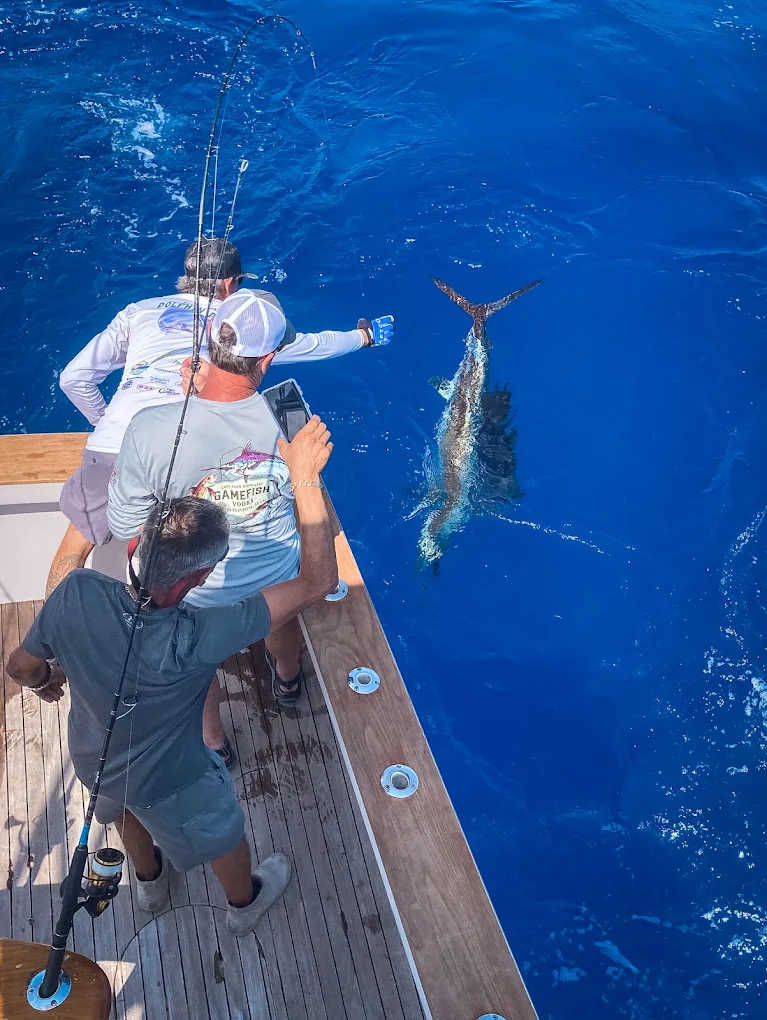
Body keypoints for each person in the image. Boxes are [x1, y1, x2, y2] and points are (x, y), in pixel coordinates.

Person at [6, 414, 337, 934]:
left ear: (136, 545)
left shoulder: (76, 593)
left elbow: (19, 666)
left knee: (121, 812)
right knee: (224, 833)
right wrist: (304, 477)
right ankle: (243, 905)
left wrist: (45, 679)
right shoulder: (203, 634)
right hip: (173, 778)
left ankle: (150, 883)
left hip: (92, 756)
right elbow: (318, 580)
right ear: (200, 578)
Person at [108, 288, 385, 756]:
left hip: (192, 592)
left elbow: (126, 523)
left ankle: (216, 746)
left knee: (198, 669)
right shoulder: (289, 407)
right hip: (275, 579)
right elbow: (305, 483)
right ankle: (288, 682)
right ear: (268, 358)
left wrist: (188, 406)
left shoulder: (151, 427)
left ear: (210, 343)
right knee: (283, 624)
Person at [50, 235, 393, 598]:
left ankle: (49, 638)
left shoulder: (138, 310)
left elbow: (73, 378)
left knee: (78, 540)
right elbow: (315, 346)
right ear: (230, 283)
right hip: (187, 442)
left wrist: (105, 422)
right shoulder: (242, 326)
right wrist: (364, 335)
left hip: (116, 440)